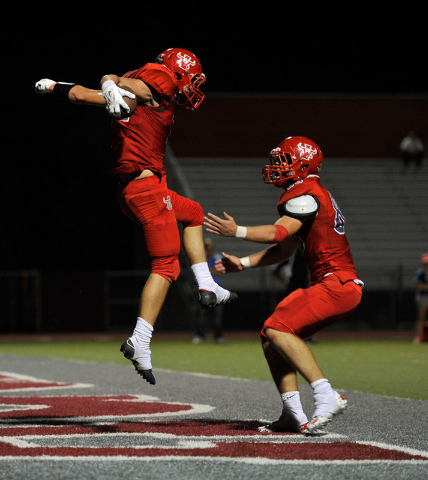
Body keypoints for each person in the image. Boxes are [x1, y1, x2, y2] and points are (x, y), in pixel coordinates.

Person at [35, 48, 237, 386]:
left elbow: (84, 95)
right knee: (167, 266)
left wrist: (57, 86)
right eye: (188, 77)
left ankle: (206, 284)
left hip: (133, 191)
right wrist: (115, 84)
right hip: (147, 191)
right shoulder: (160, 80)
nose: (188, 86)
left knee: (193, 212)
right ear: (175, 72)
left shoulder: (128, 98)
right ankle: (139, 340)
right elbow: (140, 88)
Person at [204, 136, 363, 435]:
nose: (276, 167)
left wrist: (237, 230)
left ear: (303, 165)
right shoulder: (309, 194)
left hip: (336, 283)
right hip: (338, 284)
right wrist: (245, 263)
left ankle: (326, 394)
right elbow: (284, 250)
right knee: (270, 337)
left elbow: (279, 234)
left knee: (278, 327)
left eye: (283, 161)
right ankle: (293, 413)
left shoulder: (306, 194)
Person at [192, 238, 226, 344]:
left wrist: (209, 271)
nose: (208, 249)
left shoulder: (218, 258)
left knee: (217, 315)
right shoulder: (202, 259)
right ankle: (200, 335)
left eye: (210, 247)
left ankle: (219, 336)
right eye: (207, 247)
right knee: (202, 314)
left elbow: (221, 273)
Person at [414, 253, 428, 344]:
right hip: (423, 296)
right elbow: (419, 286)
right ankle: (418, 337)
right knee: (421, 318)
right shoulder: (420, 273)